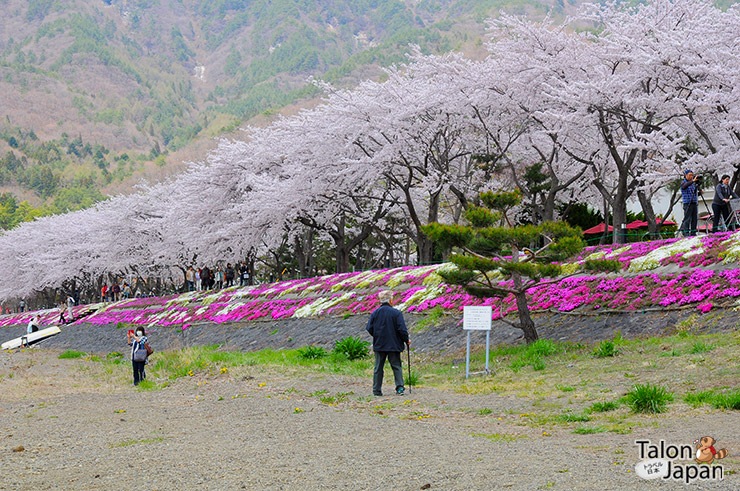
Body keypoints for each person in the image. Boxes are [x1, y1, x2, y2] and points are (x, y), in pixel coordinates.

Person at [365, 290, 410, 396]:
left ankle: (377, 390)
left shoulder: (375, 313)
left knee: (378, 367)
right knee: (396, 366)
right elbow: (402, 329)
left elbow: (369, 328)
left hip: (379, 344)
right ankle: (400, 388)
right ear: (390, 300)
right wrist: (406, 339)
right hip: (394, 344)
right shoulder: (396, 313)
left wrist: (377, 336)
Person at [680, 170, 702, 237]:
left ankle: (693, 233)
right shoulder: (683, 182)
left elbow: (694, 194)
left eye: (692, 175)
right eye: (689, 175)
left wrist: (700, 192)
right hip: (687, 203)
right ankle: (686, 233)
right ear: (685, 175)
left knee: (694, 218)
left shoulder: (693, 184)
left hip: (694, 202)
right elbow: (684, 186)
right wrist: (693, 181)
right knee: (687, 218)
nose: (691, 177)